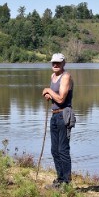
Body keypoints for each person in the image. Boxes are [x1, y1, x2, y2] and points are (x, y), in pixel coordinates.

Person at [42, 53, 74, 188]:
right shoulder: (53, 76)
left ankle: (66, 182)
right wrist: (49, 95)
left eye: (58, 63)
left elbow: (61, 99)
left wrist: (49, 90)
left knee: (63, 150)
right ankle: (60, 179)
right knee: (54, 150)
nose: (55, 65)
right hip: (54, 115)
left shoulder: (66, 77)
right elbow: (55, 97)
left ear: (63, 63)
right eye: (53, 63)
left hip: (64, 115)